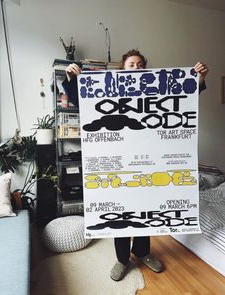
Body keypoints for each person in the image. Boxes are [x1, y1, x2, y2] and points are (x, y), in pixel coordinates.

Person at [62, 49, 209, 281]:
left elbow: (183, 99)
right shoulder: (109, 88)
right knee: (121, 209)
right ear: (123, 68)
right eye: (132, 64)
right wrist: (72, 79)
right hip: (117, 160)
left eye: (140, 64)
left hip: (148, 161)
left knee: (145, 206)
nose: (137, 67)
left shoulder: (154, 87)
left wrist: (198, 79)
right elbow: (82, 101)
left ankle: (142, 252)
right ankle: (122, 260)